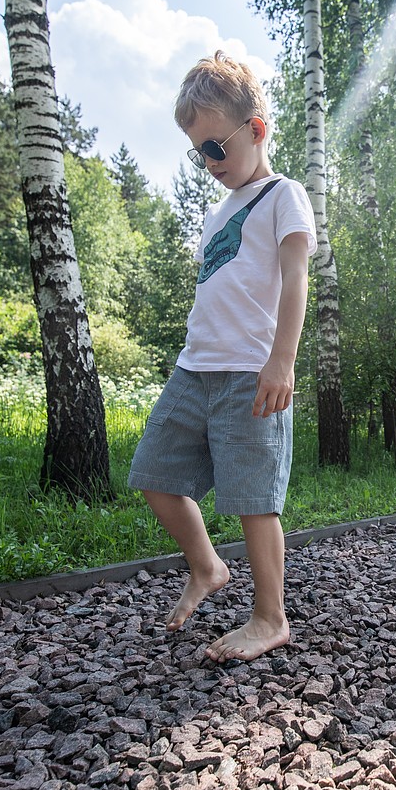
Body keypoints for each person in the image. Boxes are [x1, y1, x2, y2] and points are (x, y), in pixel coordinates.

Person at [127, 51, 316, 662]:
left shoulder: (284, 195)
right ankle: (207, 567)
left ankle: (270, 618)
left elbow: (295, 279)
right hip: (194, 367)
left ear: (255, 130)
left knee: (253, 499)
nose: (208, 164)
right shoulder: (216, 213)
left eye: (215, 148)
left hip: (249, 371)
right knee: (154, 474)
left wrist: (282, 359)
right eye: (197, 152)